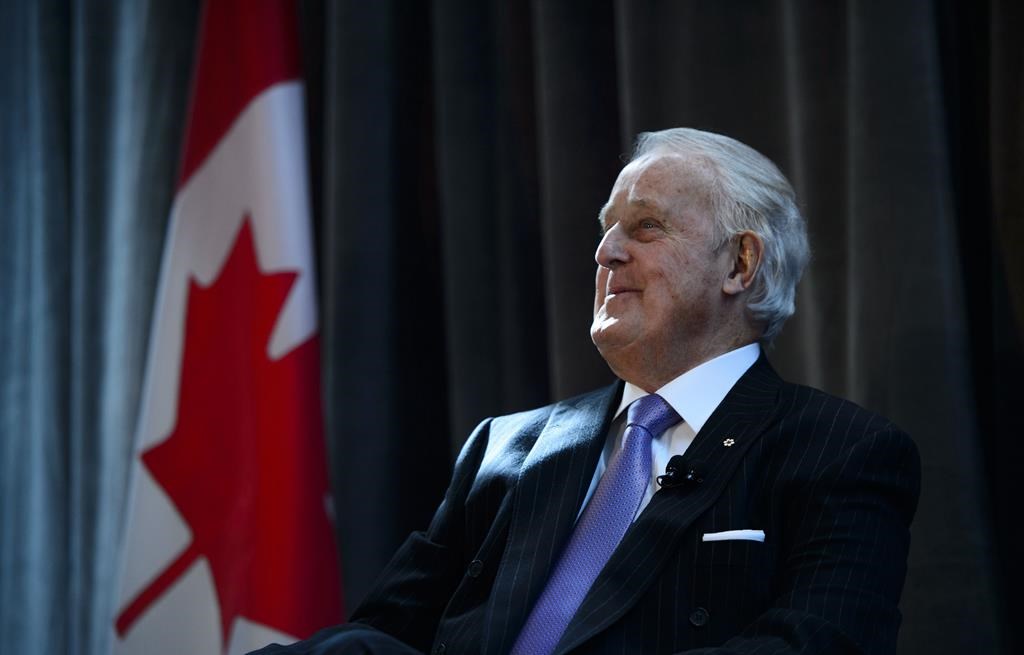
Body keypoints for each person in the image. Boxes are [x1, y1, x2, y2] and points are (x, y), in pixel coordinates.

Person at [252, 128, 920, 654]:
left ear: (741, 263)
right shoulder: (506, 445)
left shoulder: (842, 452)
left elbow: (819, 645)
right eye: (607, 227)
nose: (605, 251)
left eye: (645, 226)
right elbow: (387, 633)